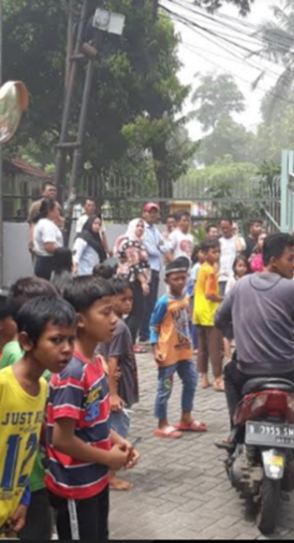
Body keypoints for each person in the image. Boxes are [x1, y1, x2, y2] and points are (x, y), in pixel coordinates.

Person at [216, 233, 294, 473]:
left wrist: (235, 332)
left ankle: (236, 432)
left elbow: (219, 318)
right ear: (274, 260)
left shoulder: (242, 284)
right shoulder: (292, 289)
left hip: (247, 372)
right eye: (290, 258)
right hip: (286, 372)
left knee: (229, 373)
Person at [47, 277, 140, 541]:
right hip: (75, 487)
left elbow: (94, 420)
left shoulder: (96, 362)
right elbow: (61, 439)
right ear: (80, 320)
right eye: (106, 312)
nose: (114, 319)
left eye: (115, 311)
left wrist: (118, 441)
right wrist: (107, 459)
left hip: (95, 479)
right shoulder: (72, 372)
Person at [0, 297, 76, 538]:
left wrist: (23, 500)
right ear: (26, 341)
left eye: (71, 339)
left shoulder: (42, 386)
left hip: (11, 509)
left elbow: (26, 451)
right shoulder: (3, 385)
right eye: (56, 340)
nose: (67, 349)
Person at [150, 257, 205, 440]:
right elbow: (153, 326)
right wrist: (155, 348)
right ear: (167, 280)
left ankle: (186, 417)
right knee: (165, 387)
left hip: (184, 351)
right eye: (176, 279)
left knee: (191, 380)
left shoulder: (186, 298)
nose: (180, 282)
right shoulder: (163, 302)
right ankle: (162, 423)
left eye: (183, 278)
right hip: (168, 353)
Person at [96, 278, 138, 491]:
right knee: (118, 430)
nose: (128, 303)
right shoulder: (119, 326)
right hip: (118, 391)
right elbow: (112, 359)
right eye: (123, 299)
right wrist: (113, 393)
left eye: (131, 299)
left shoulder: (113, 324)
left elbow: (101, 356)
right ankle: (110, 476)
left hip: (116, 386)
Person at [193, 239, 224, 391]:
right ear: (205, 254)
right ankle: (218, 378)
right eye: (214, 252)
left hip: (198, 311)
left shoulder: (202, 268)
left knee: (202, 347)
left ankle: (204, 378)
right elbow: (210, 294)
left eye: (218, 251)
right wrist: (224, 298)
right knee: (215, 348)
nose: (217, 255)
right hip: (209, 313)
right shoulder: (210, 271)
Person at [116, 219, 151, 351]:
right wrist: (143, 282)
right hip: (132, 281)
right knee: (136, 311)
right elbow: (134, 263)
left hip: (136, 280)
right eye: (138, 225)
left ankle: (128, 342)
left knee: (135, 312)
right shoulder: (130, 242)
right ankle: (129, 343)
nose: (141, 228)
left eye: (142, 226)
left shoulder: (138, 242)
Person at [139, 203, 168, 348]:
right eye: (150, 212)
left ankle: (148, 332)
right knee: (145, 303)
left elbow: (164, 246)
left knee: (151, 303)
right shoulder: (142, 229)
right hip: (146, 270)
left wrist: (159, 247)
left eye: (154, 212)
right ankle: (143, 334)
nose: (152, 215)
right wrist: (159, 248)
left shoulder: (155, 230)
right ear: (144, 213)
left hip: (155, 269)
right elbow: (153, 251)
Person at [32, 198, 64, 280]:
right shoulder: (47, 225)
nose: (59, 212)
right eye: (57, 209)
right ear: (50, 210)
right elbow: (49, 247)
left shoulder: (42, 223)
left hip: (42, 261)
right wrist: (64, 252)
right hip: (48, 262)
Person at [26, 183, 57, 260]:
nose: (52, 192)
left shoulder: (57, 205)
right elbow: (32, 224)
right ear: (43, 192)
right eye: (50, 190)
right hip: (39, 243)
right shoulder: (36, 205)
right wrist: (33, 243)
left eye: (54, 190)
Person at [217, 218, 245, 297]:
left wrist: (236, 233)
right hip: (222, 278)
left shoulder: (239, 240)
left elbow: (239, 248)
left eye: (227, 227)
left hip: (234, 277)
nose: (225, 230)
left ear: (231, 227)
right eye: (223, 228)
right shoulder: (219, 242)